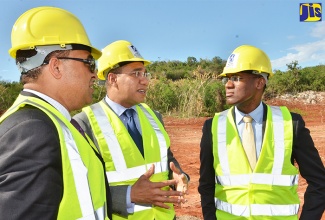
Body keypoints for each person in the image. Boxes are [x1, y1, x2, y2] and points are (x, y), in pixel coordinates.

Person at [0, 6, 112, 220]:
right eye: (89, 63)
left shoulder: (54, 122)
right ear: (56, 67)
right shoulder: (32, 131)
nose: (95, 74)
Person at [198, 45, 325, 219]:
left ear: (259, 82)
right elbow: (206, 186)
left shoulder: (291, 124)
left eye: (236, 78)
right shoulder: (212, 127)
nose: (228, 85)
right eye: (227, 79)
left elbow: (319, 182)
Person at [73, 40, 189, 220]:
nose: (145, 80)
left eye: (145, 73)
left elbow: (167, 158)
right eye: (136, 74)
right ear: (112, 79)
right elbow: (79, 187)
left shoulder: (154, 116)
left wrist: (179, 176)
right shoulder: (84, 123)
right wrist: (128, 195)